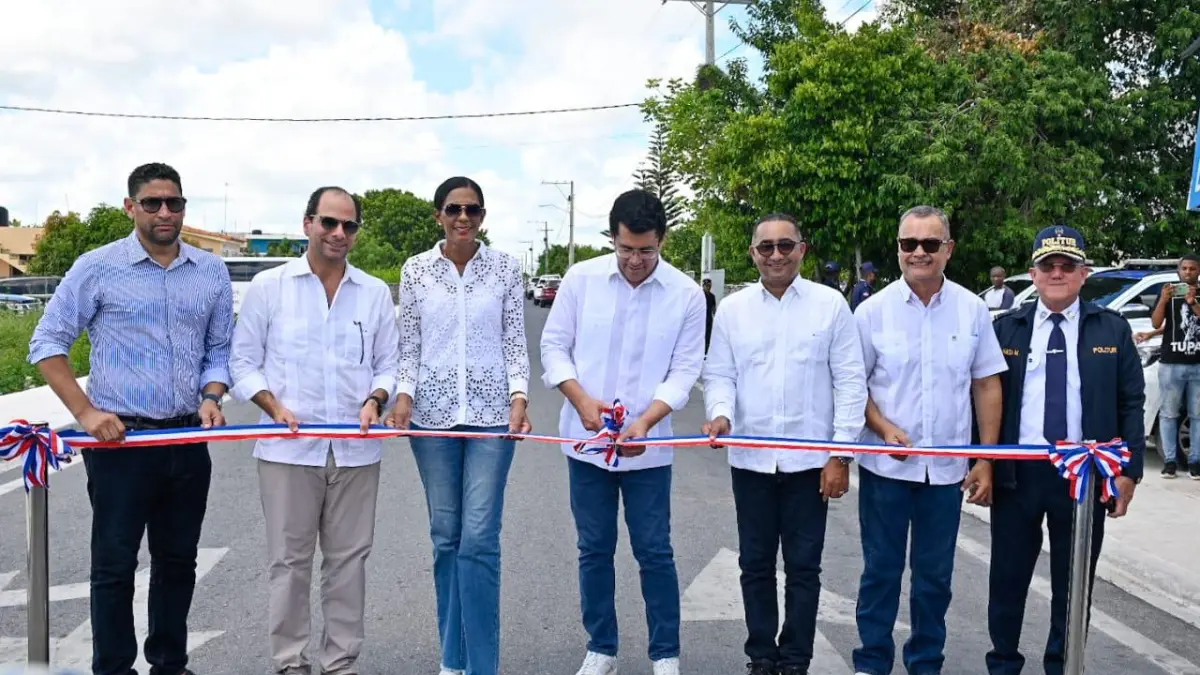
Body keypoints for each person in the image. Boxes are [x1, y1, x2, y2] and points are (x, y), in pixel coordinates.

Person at [28, 162, 234, 675]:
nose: (165, 212)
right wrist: (85, 411)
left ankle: (169, 663)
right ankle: (114, 668)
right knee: (115, 565)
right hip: (121, 442)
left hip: (186, 438)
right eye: (152, 203)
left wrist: (212, 394)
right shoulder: (97, 267)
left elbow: (218, 348)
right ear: (130, 207)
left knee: (178, 562)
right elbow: (47, 343)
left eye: (174, 203)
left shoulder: (210, 271)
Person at [229, 186, 400, 675]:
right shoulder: (270, 287)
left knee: (349, 561)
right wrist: (273, 406)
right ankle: (290, 663)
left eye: (349, 225)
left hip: (356, 451)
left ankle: (340, 662)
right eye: (329, 222)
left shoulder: (373, 293)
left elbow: (389, 365)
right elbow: (242, 363)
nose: (338, 233)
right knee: (288, 563)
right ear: (308, 224)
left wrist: (376, 400)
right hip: (288, 451)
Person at [540, 188, 705, 675]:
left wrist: (647, 420)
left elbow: (684, 369)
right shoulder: (581, 279)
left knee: (654, 550)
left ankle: (665, 654)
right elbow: (554, 347)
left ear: (663, 240)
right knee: (594, 548)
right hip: (587, 443)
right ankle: (602, 648)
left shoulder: (686, 294)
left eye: (646, 250)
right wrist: (580, 400)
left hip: (648, 449)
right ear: (612, 238)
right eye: (626, 249)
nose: (635, 261)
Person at [702, 213, 867, 675]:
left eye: (785, 246)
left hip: (810, 465)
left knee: (804, 568)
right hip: (751, 462)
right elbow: (720, 374)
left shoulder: (830, 306)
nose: (776, 255)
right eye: (766, 247)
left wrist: (840, 455)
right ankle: (761, 656)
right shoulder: (733, 310)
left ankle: (795, 660)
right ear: (753, 253)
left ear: (802, 250)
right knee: (754, 564)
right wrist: (721, 412)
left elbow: (850, 382)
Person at [384, 177, 531, 675]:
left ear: (483, 217)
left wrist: (519, 397)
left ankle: (483, 665)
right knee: (446, 537)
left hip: (492, 419)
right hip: (432, 418)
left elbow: (514, 341)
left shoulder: (505, 269)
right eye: (454, 209)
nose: (463, 218)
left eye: (472, 210)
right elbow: (409, 344)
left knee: (480, 539)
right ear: (439, 215)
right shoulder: (416, 270)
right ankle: (453, 659)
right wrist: (404, 395)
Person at [851, 205, 1006, 675]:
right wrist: (882, 427)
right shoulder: (872, 312)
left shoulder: (972, 309)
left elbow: (986, 384)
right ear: (898, 248)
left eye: (930, 244)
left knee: (934, 580)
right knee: (880, 572)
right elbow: (853, 386)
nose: (919, 252)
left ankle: (925, 663)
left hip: (945, 473)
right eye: (909, 243)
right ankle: (871, 662)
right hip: (885, 470)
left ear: (948, 249)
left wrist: (985, 459)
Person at [985, 226, 1144, 675]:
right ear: (1033, 273)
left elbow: (1131, 403)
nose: (1057, 273)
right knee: (1007, 579)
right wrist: (983, 462)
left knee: (1073, 585)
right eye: (1048, 265)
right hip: (1018, 473)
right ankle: (1003, 664)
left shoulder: (1111, 328)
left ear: (1083, 273)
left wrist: (1129, 471)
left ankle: (1063, 664)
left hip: (1083, 476)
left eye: (1067, 266)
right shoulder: (1006, 328)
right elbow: (983, 397)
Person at [1150, 253, 1200, 478]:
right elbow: (1156, 323)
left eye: (1192, 268)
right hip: (1171, 363)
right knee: (1168, 414)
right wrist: (1163, 299)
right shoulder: (1168, 292)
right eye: (1184, 268)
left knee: (1197, 415)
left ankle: (1195, 461)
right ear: (1178, 271)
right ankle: (1170, 461)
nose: (1188, 272)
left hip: (1197, 363)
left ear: (1198, 271)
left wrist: (1193, 302)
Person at [702, 278, 717, 351]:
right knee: (701, 335)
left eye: (709, 286)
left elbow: (714, 308)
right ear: (703, 286)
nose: (708, 287)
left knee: (708, 335)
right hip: (701, 319)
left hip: (709, 319)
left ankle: (706, 350)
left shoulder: (712, 296)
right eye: (707, 286)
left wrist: (716, 316)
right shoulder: (700, 295)